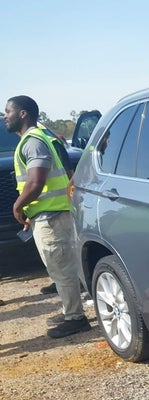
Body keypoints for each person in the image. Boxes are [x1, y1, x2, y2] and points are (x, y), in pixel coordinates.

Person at [4, 95, 90, 338]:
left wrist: (19, 205)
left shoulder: (32, 142)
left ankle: (75, 318)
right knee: (67, 266)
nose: (5, 116)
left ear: (23, 114)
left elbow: (36, 181)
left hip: (51, 217)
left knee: (61, 269)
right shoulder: (44, 137)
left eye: (8, 111)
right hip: (54, 211)